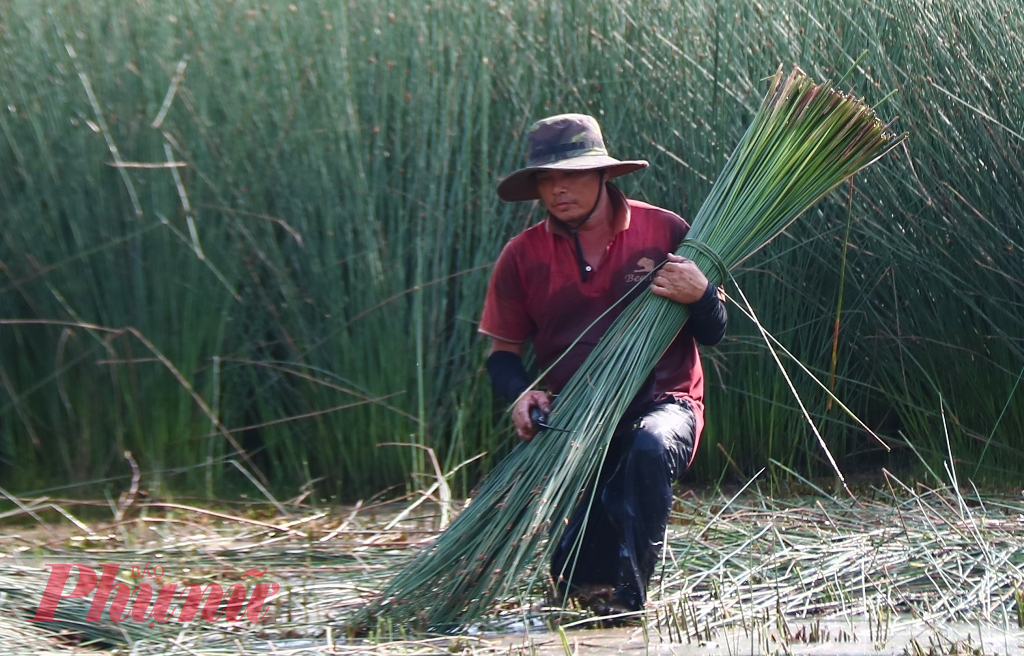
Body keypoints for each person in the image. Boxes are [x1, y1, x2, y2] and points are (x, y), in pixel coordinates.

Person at [479, 113, 727, 617]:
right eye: (546, 179)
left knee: (647, 446)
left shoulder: (665, 230)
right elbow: (501, 355)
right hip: (579, 419)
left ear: (603, 175)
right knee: (577, 579)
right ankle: (588, 599)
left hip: (665, 403)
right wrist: (523, 396)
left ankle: (628, 608)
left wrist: (701, 295)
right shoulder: (522, 256)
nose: (557, 189)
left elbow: (714, 331)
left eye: (569, 174)